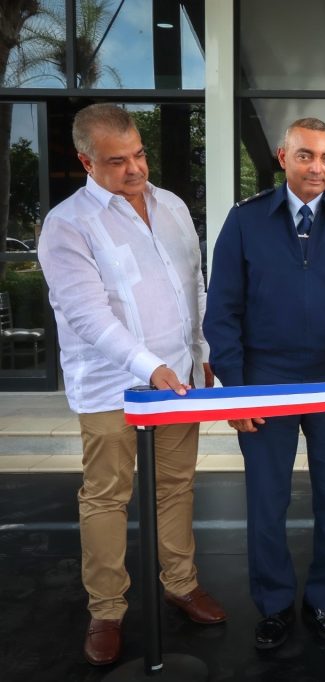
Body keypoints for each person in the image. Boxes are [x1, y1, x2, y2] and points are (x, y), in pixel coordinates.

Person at [37, 103, 226, 667]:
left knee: (176, 486)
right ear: (86, 162)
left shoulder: (172, 206)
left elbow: (193, 285)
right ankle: (107, 610)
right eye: (117, 161)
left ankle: (181, 584)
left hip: (179, 380)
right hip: (111, 387)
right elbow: (87, 315)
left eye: (139, 154)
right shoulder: (67, 225)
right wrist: (149, 366)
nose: (135, 168)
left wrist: (202, 352)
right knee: (107, 497)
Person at [203, 117, 325, 649]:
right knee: (267, 499)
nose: (317, 167)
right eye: (306, 155)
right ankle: (274, 604)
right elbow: (222, 311)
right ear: (283, 157)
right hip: (266, 381)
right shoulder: (245, 220)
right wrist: (237, 389)